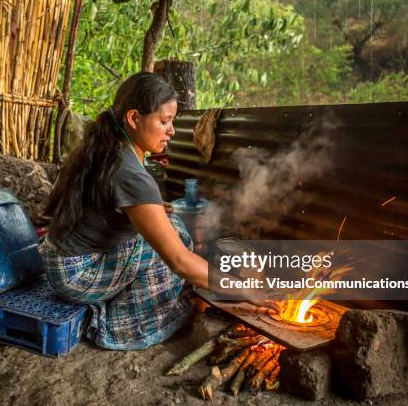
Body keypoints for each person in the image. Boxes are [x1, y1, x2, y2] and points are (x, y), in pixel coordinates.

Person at [40, 72, 271, 350]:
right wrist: (242, 289)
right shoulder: (129, 172)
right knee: (174, 242)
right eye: (164, 121)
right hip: (76, 277)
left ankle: (123, 299)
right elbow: (180, 262)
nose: (172, 130)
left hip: (59, 260)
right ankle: (123, 325)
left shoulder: (108, 149)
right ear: (134, 118)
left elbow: (103, 205)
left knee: (170, 224)